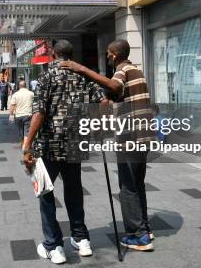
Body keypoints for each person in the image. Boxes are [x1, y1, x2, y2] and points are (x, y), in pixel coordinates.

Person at [60, 40, 156, 251]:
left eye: (108, 54)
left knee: (128, 186)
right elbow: (114, 97)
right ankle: (145, 228)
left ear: (114, 54)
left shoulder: (122, 70)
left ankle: (139, 235)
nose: (108, 58)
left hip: (131, 137)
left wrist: (82, 69)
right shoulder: (135, 70)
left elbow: (114, 86)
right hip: (143, 135)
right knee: (137, 184)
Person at [24, 40, 107, 264]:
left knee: (45, 192)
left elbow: (39, 113)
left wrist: (27, 144)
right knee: (74, 190)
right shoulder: (84, 75)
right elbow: (105, 102)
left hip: (49, 145)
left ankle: (54, 245)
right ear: (70, 54)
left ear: (53, 54)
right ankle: (81, 239)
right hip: (75, 143)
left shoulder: (46, 76)